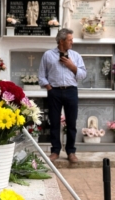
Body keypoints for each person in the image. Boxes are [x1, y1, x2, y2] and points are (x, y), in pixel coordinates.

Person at [38, 28, 87, 163]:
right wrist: (49, 87)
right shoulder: (48, 55)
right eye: (70, 40)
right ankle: (55, 151)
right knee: (54, 122)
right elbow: (41, 76)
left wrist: (72, 66)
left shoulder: (76, 56)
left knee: (71, 122)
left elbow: (83, 74)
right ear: (61, 41)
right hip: (54, 91)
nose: (72, 42)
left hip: (71, 90)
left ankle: (71, 151)